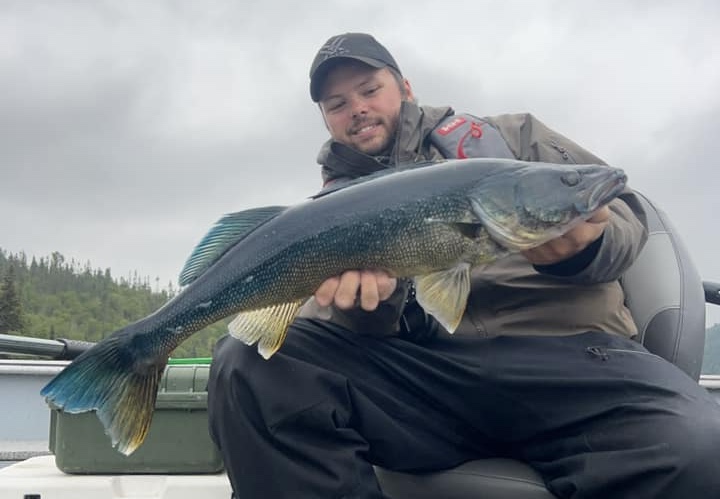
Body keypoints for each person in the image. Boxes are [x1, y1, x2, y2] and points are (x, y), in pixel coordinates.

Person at [207, 33, 720, 498]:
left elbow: (624, 218)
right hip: (425, 379)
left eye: (369, 89)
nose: (357, 109)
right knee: (249, 365)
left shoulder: (510, 138)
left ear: (404, 87)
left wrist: (584, 249)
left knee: (700, 448)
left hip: (572, 361)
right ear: (326, 119)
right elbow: (357, 328)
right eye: (338, 104)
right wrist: (372, 309)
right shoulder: (328, 212)